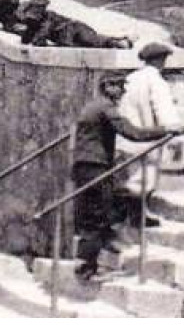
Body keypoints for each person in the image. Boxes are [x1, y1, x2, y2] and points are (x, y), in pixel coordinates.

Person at [72, 75, 166, 281]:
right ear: (108, 87)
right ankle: (91, 269)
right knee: (100, 215)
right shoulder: (106, 108)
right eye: (120, 86)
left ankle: (89, 263)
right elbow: (132, 132)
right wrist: (165, 130)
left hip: (83, 167)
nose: (123, 91)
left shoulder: (92, 106)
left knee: (91, 216)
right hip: (96, 168)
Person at [120, 42, 183, 220]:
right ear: (160, 60)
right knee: (145, 178)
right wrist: (173, 127)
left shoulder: (131, 78)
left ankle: (133, 215)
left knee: (132, 176)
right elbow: (163, 109)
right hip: (148, 136)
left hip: (128, 136)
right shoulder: (156, 81)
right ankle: (139, 216)